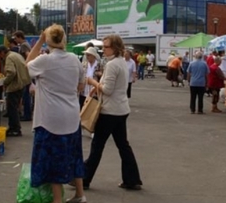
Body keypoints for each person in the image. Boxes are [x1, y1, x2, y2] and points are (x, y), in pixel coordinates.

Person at [25, 25, 87, 203]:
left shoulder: (44, 61)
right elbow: (81, 84)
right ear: (64, 40)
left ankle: (57, 200)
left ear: (48, 40)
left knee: (53, 160)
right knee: (74, 155)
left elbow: (26, 64)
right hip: (72, 115)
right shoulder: (74, 59)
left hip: (51, 119)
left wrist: (39, 41)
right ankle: (80, 194)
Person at [83, 34, 143, 191]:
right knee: (123, 146)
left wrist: (93, 83)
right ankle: (132, 179)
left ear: (115, 48)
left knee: (97, 146)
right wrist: (97, 88)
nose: (103, 50)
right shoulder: (122, 62)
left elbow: (108, 90)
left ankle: (83, 178)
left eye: (106, 47)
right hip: (121, 109)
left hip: (110, 111)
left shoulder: (112, 65)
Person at [0, 45, 31, 137]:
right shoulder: (15, 54)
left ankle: (15, 129)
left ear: (2, 52)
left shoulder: (9, 57)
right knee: (15, 108)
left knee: (12, 108)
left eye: (0, 55)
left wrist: (4, 82)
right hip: (22, 83)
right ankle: (15, 127)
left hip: (14, 86)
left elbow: (11, 72)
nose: (1, 57)